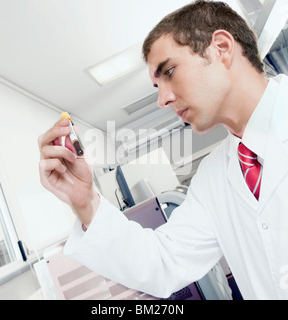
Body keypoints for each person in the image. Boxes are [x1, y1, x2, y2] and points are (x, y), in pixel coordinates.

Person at [38, 0, 288, 299]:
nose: (163, 100)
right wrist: (86, 203)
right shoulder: (213, 177)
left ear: (221, 48)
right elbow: (164, 263)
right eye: (157, 86)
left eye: (168, 71)